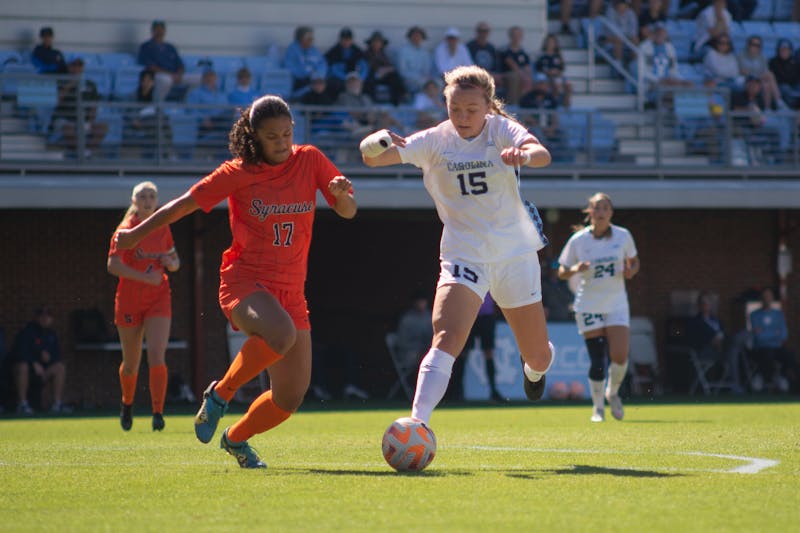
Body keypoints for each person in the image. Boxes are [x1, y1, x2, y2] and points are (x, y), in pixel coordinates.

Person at [114, 95, 356, 468]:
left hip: (292, 291)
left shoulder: (309, 158)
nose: (281, 142)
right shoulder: (237, 172)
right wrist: (135, 235)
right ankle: (219, 395)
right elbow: (183, 204)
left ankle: (236, 439)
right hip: (244, 282)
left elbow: (348, 211)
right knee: (281, 334)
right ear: (254, 136)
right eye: (272, 136)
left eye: (287, 133)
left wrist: (341, 196)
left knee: (290, 398)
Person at [360, 65, 554, 427]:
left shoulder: (500, 129)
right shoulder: (435, 140)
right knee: (447, 336)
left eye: (471, 110)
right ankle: (417, 424)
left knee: (539, 356)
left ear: (488, 106)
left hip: (514, 252)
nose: (462, 117)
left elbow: (542, 153)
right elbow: (370, 158)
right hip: (464, 252)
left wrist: (524, 155)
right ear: (445, 105)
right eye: (455, 109)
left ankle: (535, 371)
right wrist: (377, 140)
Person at [557, 192, 640, 422]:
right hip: (588, 304)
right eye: (596, 208)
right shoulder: (579, 240)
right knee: (597, 359)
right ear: (589, 212)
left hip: (616, 303)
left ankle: (612, 393)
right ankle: (597, 408)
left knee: (620, 356)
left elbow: (634, 261)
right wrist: (575, 269)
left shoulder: (623, 236)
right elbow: (561, 270)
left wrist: (630, 271)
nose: (601, 212)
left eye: (605, 208)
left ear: (611, 212)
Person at [107, 181, 180, 431]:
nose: (148, 200)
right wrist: (145, 277)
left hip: (159, 298)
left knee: (157, 355)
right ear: (134, 201)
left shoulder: (162, 226)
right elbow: (113, 265)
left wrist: (171, 263)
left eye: (152, 196)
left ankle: (157, 413)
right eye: (143, 196)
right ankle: (127, 403)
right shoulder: (125, 230)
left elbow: (175, 261)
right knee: (131, 363)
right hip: (129, 300)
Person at [11, 306, 68, 414]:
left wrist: (49, 358)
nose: (45, 319)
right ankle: (22, 404)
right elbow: (20, 352)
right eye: (42, 316)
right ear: (37, 318)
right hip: (27, 371)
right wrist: (33, 362)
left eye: (48, 316)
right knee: (23, 366)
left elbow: (57, 356)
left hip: (43, 372)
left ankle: (57, 404)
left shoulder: (51, 334)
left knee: (60, 367)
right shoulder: (28, 331)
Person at [48, 57, 108, 157]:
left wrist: (90, 121)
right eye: (74, 65)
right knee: (68, 129)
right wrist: (71, 84)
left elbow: (94, 106)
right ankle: (80, 154)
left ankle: (87, 151)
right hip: (65, 119)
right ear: (69, 67)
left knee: (103, 128)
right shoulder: (60, 81)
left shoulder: (90, 84)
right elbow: (56, 101)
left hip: (83, 121)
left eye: (79, 65)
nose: (77, 68)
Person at [686, 291, 744, 393]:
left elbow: (724, 333)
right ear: (699, 305)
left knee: (736, 349)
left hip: (722, 349)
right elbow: (695, 340)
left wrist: (720, 342)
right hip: (706, 352)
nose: (707, 305)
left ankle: (736, 383)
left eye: (709, 302)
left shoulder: (716, 320)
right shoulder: (695, 321)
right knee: (734, 351)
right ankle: (735, 384)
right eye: (704, 302)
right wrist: (712, 341)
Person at [749, 287, 797, 393]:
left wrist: (765, 332)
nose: (767, 299)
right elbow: (758, 337)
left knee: (790, 355)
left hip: (777, 347)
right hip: (761, 348)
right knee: (767, 354)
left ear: (772, 298)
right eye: (765, 296)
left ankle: (782, 377)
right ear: (761, 299)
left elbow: (784, 335)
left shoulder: (779, 314)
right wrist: (775, 333)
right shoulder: (754, 315)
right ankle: (762, 377)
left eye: (769, 296)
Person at [137, 20, 195, 101]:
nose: (159, 32)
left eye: (161, 29)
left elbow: (180, 64)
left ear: (165, 31)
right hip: (157, 75)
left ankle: (186, 102)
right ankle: (157, 105)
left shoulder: (170, 47)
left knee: (200, 79)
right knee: (166, 80)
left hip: (175, 75)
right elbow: (151, 67)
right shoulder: (146, 46)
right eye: (157, 29)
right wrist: (171, 75)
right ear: (152, 31)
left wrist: (179, 74)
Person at [463, 293, 504, 402]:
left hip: (487, 317)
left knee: (489, 353)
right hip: (469, 315)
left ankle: (493, 390)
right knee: (463, 353)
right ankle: (457, 390)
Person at [738, 36, 786, 111]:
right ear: (748, 45)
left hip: (758, 80)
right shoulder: (741, 56)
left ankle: (767, 109)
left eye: (758, 45)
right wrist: (754, 73)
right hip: (746, 80)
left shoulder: (762, 57)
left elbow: (764, 71)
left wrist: (754, 73)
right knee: (769, 75)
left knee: (767, 83)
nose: (755, 47)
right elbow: (742, 71)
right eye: (753, 44)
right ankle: (779, 101)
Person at [284, 26, 328, 100]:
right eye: (308, 38)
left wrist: (317, 76)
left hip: (314, 79)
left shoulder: (314, 50)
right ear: (300, 39)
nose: (311, 41)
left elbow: (322, 64)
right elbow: (290, 66)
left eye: (311, 39)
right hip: (300, 79)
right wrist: (306, 73)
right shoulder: (292, 50)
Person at [363, 30, 406, 105]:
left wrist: (385, 70)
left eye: (379, 42)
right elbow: (368, 66)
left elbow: (390, 66)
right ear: (371, 43)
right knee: (369, 81)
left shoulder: (384, 54)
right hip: (371, 76)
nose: (376, 44)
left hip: (384, 75)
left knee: (394, 77)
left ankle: (396, 101)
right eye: (375, 42)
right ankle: (372, 102)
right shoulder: (366, 54)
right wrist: (378, 70)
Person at [324, 27, 369, 98]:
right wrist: (346, 78)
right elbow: (333, 69)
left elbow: (364, 67)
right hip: (340, 78)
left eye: (348, 39)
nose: (346, 42)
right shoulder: (333, 52)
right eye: (344, 39)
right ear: (340, 40)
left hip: (356, 77)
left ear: (352, 40)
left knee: (367, 83)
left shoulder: (358, 51)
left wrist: (360, 78)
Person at [395, 293, 434, 372]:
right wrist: (419, 349)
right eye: (419, 302)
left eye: (423, 301)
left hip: (428, 351)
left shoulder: (430, 316)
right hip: (409, 354)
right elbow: (402, 342)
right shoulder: (407, 319)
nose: (421, 304)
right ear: (414, 303)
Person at [498, 26, 535, 105]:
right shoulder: (505, 50)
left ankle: (525, 106)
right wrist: (523, 75)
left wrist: (527, 77)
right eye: (514, 35)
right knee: (515, 77)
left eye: (518, 35)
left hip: (520, 76)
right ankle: (512, 105)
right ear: (510, 36)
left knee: (528, 80)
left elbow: (527, 68)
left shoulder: (524, 53)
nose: (516, 37)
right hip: (506, 74)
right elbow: (512, 65)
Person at [534, 33, 572, 108]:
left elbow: (561, 69)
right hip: (544, 76)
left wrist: (556, 72)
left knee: (568, 85)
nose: (550, 44)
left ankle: (566, 106)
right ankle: (553, 104)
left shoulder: (558, 56)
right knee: (555, 83)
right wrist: (548, 72)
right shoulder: (541, 55)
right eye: (549, 42)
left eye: (552, 42)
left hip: (556, 76)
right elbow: (538, 68)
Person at [396, 26, 433, 95]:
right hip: (409, 81)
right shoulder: (403, 51)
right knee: (427, 85)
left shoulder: (425, 52)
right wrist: (418, 78)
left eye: (419, 36)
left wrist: (426, 78)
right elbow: (402, 71)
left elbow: (427, 69)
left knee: (438, 83)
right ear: (410, 37)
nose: (417, 38)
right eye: (414, 35)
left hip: (425, 80)